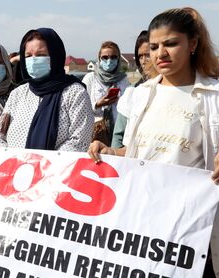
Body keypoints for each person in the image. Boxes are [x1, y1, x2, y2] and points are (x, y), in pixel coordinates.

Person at [86, 7, 219, 277]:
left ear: (192, 44)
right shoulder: (141, 94)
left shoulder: (213, 96)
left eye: (171, 44)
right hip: (144, 224)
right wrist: (110, 150)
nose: (161, 54)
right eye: (155, 46)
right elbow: (138, 152)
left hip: (191, 230)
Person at [0, 28, 93, 151]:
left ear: (55, 56)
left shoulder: (75, 93)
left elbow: (79, 141)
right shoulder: (18, 93)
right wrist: (10, 159)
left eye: (41, 55)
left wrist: (40, 163)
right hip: (14, 167)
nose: (33, 60)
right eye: (28, 55)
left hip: (55, 168)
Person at [111, 31, 155, 148]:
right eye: (140, 56)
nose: (144, 61)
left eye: (148, 55)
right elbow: (118, 135)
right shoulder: (133, 91)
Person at [82, 41, 130, 146]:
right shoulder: (90, 78)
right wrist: (98, 104)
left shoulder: (123, 79)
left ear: (118, 59)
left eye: (113, 57)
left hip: (118, 132)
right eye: (105, 57)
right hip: (96, 132)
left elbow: (129, 106)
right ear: (99, 59)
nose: (109, 61)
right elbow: (80, 108)